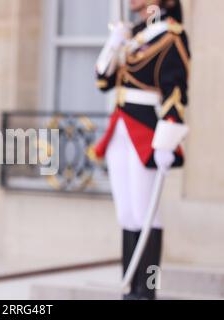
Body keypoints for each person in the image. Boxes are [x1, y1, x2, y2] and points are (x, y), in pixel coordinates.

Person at [90, 0, 190, 299]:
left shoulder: (170, 34)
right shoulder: (131, 35)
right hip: (120, 129)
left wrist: (167, 140)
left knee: (149, 216)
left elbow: (176, 91)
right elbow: (103, 81)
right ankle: (130, 286)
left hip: (146, 131)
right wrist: (113, 42)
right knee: (129, 215)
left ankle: (147, 289)